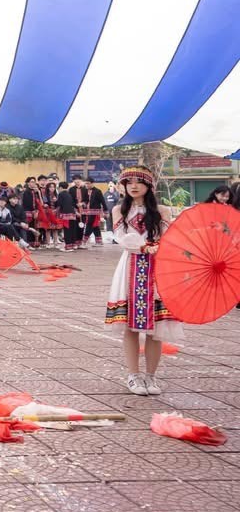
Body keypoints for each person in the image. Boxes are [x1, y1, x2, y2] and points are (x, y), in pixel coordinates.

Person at [105, 165, 181, 395]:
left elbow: (169, 238)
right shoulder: (119, 210)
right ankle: (133, 376)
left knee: (156, 327)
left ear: (149, 185)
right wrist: (144, 247)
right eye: (128, 182)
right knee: (130, 326)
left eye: (139, 181)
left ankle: (151, 377)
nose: (133, 186)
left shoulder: (162, 211)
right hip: (130, 267)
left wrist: (160, 247)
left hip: (157, 269)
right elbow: (122, 238)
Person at [56, 181, 79, 252]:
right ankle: (73, 244)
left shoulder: (61, 194)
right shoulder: (69, 194)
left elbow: (59, 204)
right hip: (72, 214)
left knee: (67, 230)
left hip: (65, 214)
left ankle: (68, 246)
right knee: (72, 230)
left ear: (60, 188)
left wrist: (55, 202)